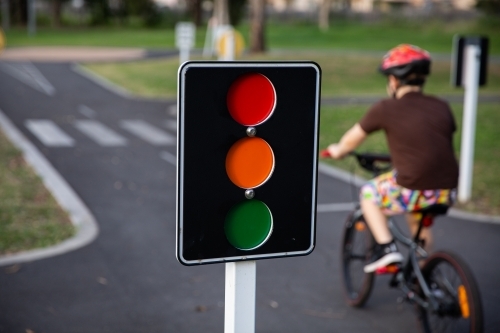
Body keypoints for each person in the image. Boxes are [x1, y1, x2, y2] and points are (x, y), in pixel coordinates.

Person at [326, 44, 459, 273]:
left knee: (369, 193)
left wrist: (337, 150)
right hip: (447, 191)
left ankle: (387, 249)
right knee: (416, 218)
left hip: (413, 187)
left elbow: (351, 140)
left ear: (395, 81)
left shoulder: (386, 108)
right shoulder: (442, 106)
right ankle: (425, 275)